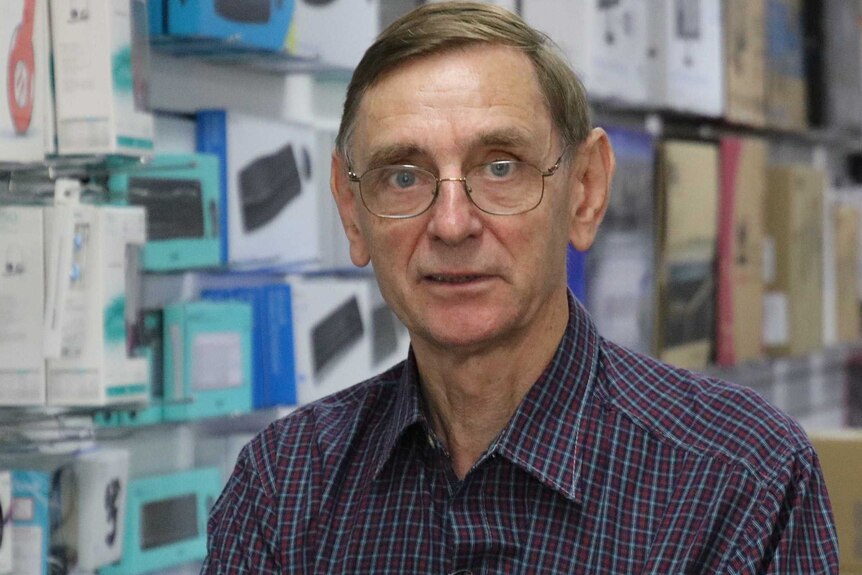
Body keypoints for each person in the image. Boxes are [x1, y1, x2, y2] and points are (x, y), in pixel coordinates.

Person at [201, 2, 838, 573]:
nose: (452, 223)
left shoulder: (741, 481)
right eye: (403, 177)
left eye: (501, 167)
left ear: (585, 190)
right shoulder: (284, 487)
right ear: (351, 210)